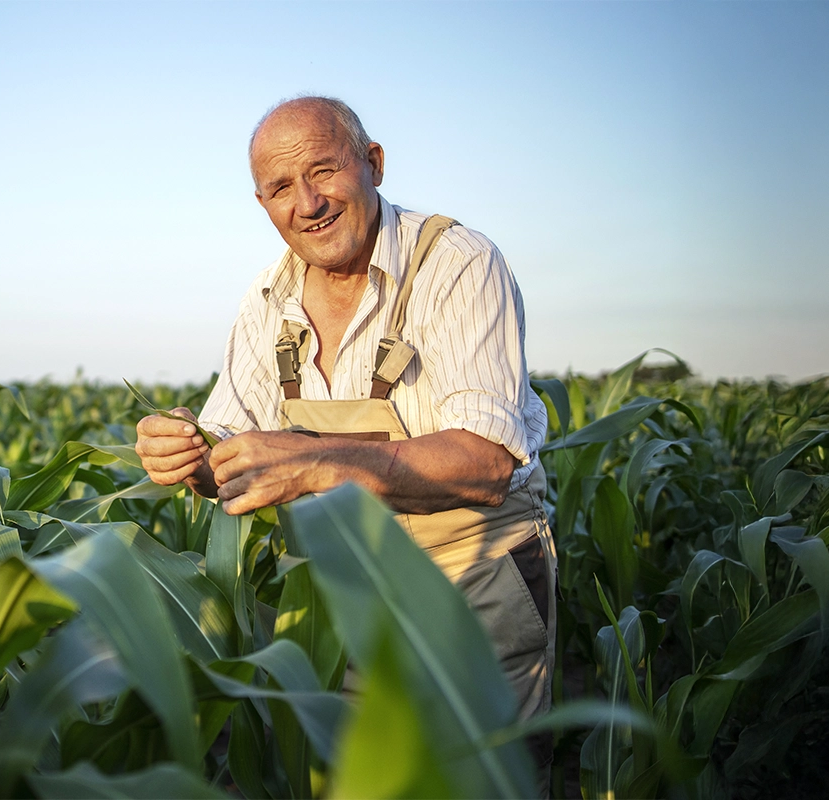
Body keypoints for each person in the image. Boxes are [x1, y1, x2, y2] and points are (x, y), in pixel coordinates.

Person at [134, 96, 556, 729]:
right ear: (263, 205)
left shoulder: (456, 263)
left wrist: (312, 462)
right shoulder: (267, 301)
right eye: (281, 188)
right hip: (343, 589)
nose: (307, 203)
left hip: (474, 577)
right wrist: (190, 453)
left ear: (374, 164)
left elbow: (486, 463)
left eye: (323, 171)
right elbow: (231, 447)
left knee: (483, 774)